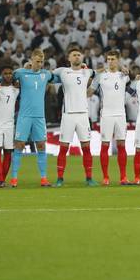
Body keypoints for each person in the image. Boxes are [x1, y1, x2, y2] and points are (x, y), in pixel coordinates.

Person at [10, 49, 53, 188]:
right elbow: (9, 77)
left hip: (39, 117)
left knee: (41, 145)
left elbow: (58, 77)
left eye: (42, 61)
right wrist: (23, 67)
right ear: (31, 60)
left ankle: (43, 178)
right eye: (37, 61)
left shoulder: (45, 74)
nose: (40, 64)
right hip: (24, 116)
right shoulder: (21, 73)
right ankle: (14, 178)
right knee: (19, 145)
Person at [53, 47, 96, 187]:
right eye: (74, 55)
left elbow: (98, 74)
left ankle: (89, 178)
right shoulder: (62, 71)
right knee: (63, 148)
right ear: (69, 58)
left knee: (86, 148)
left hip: (83, 115)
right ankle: (59, 178)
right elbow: (46, 76)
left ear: (82, 57)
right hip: (68, 115)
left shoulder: (87, 71)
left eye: (79, 54)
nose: (77, 57)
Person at [92, 50, 131, 185]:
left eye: (113, 59)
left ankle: (123, 177)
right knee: (105, 145)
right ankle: (106, 177)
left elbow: (132, 90)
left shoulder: (124, 75)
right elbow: (90, 91)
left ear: (118, 60)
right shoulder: (101, 76)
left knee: (121, 145)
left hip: (121, 115)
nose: (110, 61)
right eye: (108, 59)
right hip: (106, 115)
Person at [0, 67, 19, 188]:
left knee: (8, 153)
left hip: (10, 126)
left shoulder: (16, 90)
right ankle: (0, 180)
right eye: (5, 73)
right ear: (1, 75)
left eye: (10, 73)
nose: (8, 75)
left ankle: (2, 180)